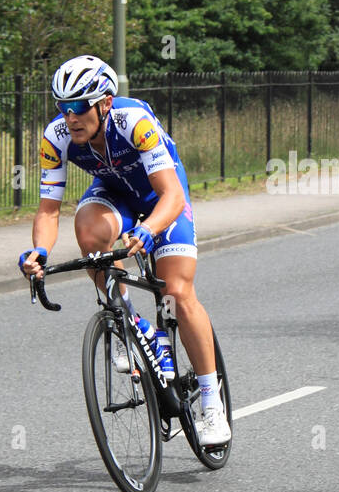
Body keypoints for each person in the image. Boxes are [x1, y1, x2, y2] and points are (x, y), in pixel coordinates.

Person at [19, 55, 230, 447]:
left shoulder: (134, 121)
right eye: (63, 107)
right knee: (88, 233)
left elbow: (171, 193)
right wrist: (39, 253)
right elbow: (49, 210)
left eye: (80, 106)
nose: (71, 117)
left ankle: (211, 401)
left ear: (105, 103)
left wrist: (150, 229)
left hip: (162, 198)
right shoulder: (56, 137)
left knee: (178, 293)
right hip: (115, 196)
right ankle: (131, 322)